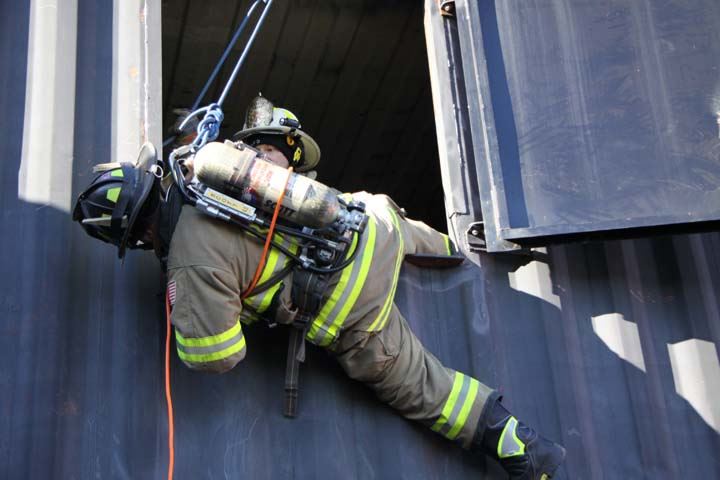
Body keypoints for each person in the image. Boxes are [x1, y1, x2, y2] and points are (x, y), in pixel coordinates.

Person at [72, 96, 566, 479]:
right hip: (371, 218)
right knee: (440, 246)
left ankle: (523, 448)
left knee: (427, 390)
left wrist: (193, 309)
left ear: (134, 235)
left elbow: (218, 356)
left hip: (352, 301)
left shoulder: (188, 260)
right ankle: (499, 258)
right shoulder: (199, 169)